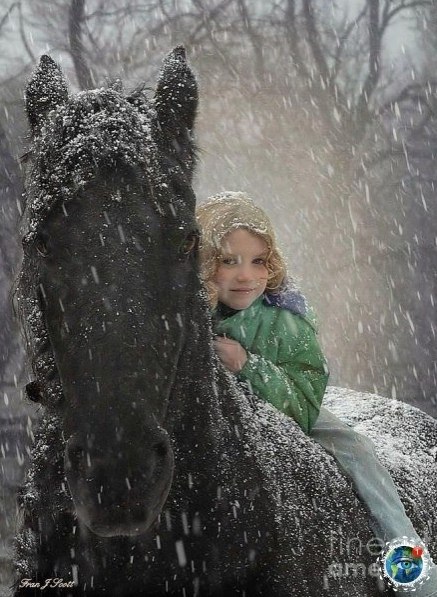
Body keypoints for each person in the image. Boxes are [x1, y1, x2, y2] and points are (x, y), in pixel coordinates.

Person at [196, 191, 437, 597]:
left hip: (285, 406)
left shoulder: (286, 322)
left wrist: (248, 366)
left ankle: (407, 562)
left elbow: (304, 402)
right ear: (204, 263)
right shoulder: (185, 315)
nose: (245, 276)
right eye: (228, 260)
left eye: (258, 261)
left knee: (357, 450)